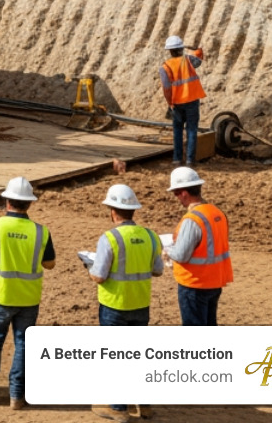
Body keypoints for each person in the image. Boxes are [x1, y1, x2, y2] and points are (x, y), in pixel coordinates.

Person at [0, 176, 54, 410]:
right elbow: (50, 264)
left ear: (7, 201)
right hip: (28, 297)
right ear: (29, 203)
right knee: (24, 344)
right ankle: (17, 395)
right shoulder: (41, 232)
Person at [87, 184, 163, 423]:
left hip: (114, 305)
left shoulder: (109, 238)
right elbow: (158, 270)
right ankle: (145, 405)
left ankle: (118, 408)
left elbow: (99, 276)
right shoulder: (150, 236)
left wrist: (89, 267)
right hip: (141, 304)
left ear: (113, 210)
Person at [164, 166, 232, 326]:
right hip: (215, 281)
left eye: (176, 194)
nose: (177, 198)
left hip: (194, 284)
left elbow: (181, 255)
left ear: (184, 193)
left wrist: (167, 250)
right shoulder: (217, 212)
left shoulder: (192, 219)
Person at [160, 36, 206, 165]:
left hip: (176, 102)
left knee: (178, 131)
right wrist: (197, 49)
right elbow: (199, 60)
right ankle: (190, 160)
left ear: (169, 51)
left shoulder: (165, 67)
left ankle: (177, 159)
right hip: (191, 100)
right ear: (181, 49)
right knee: (191, 130)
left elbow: (166, 88)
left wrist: (170, 103)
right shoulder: (189, 60)